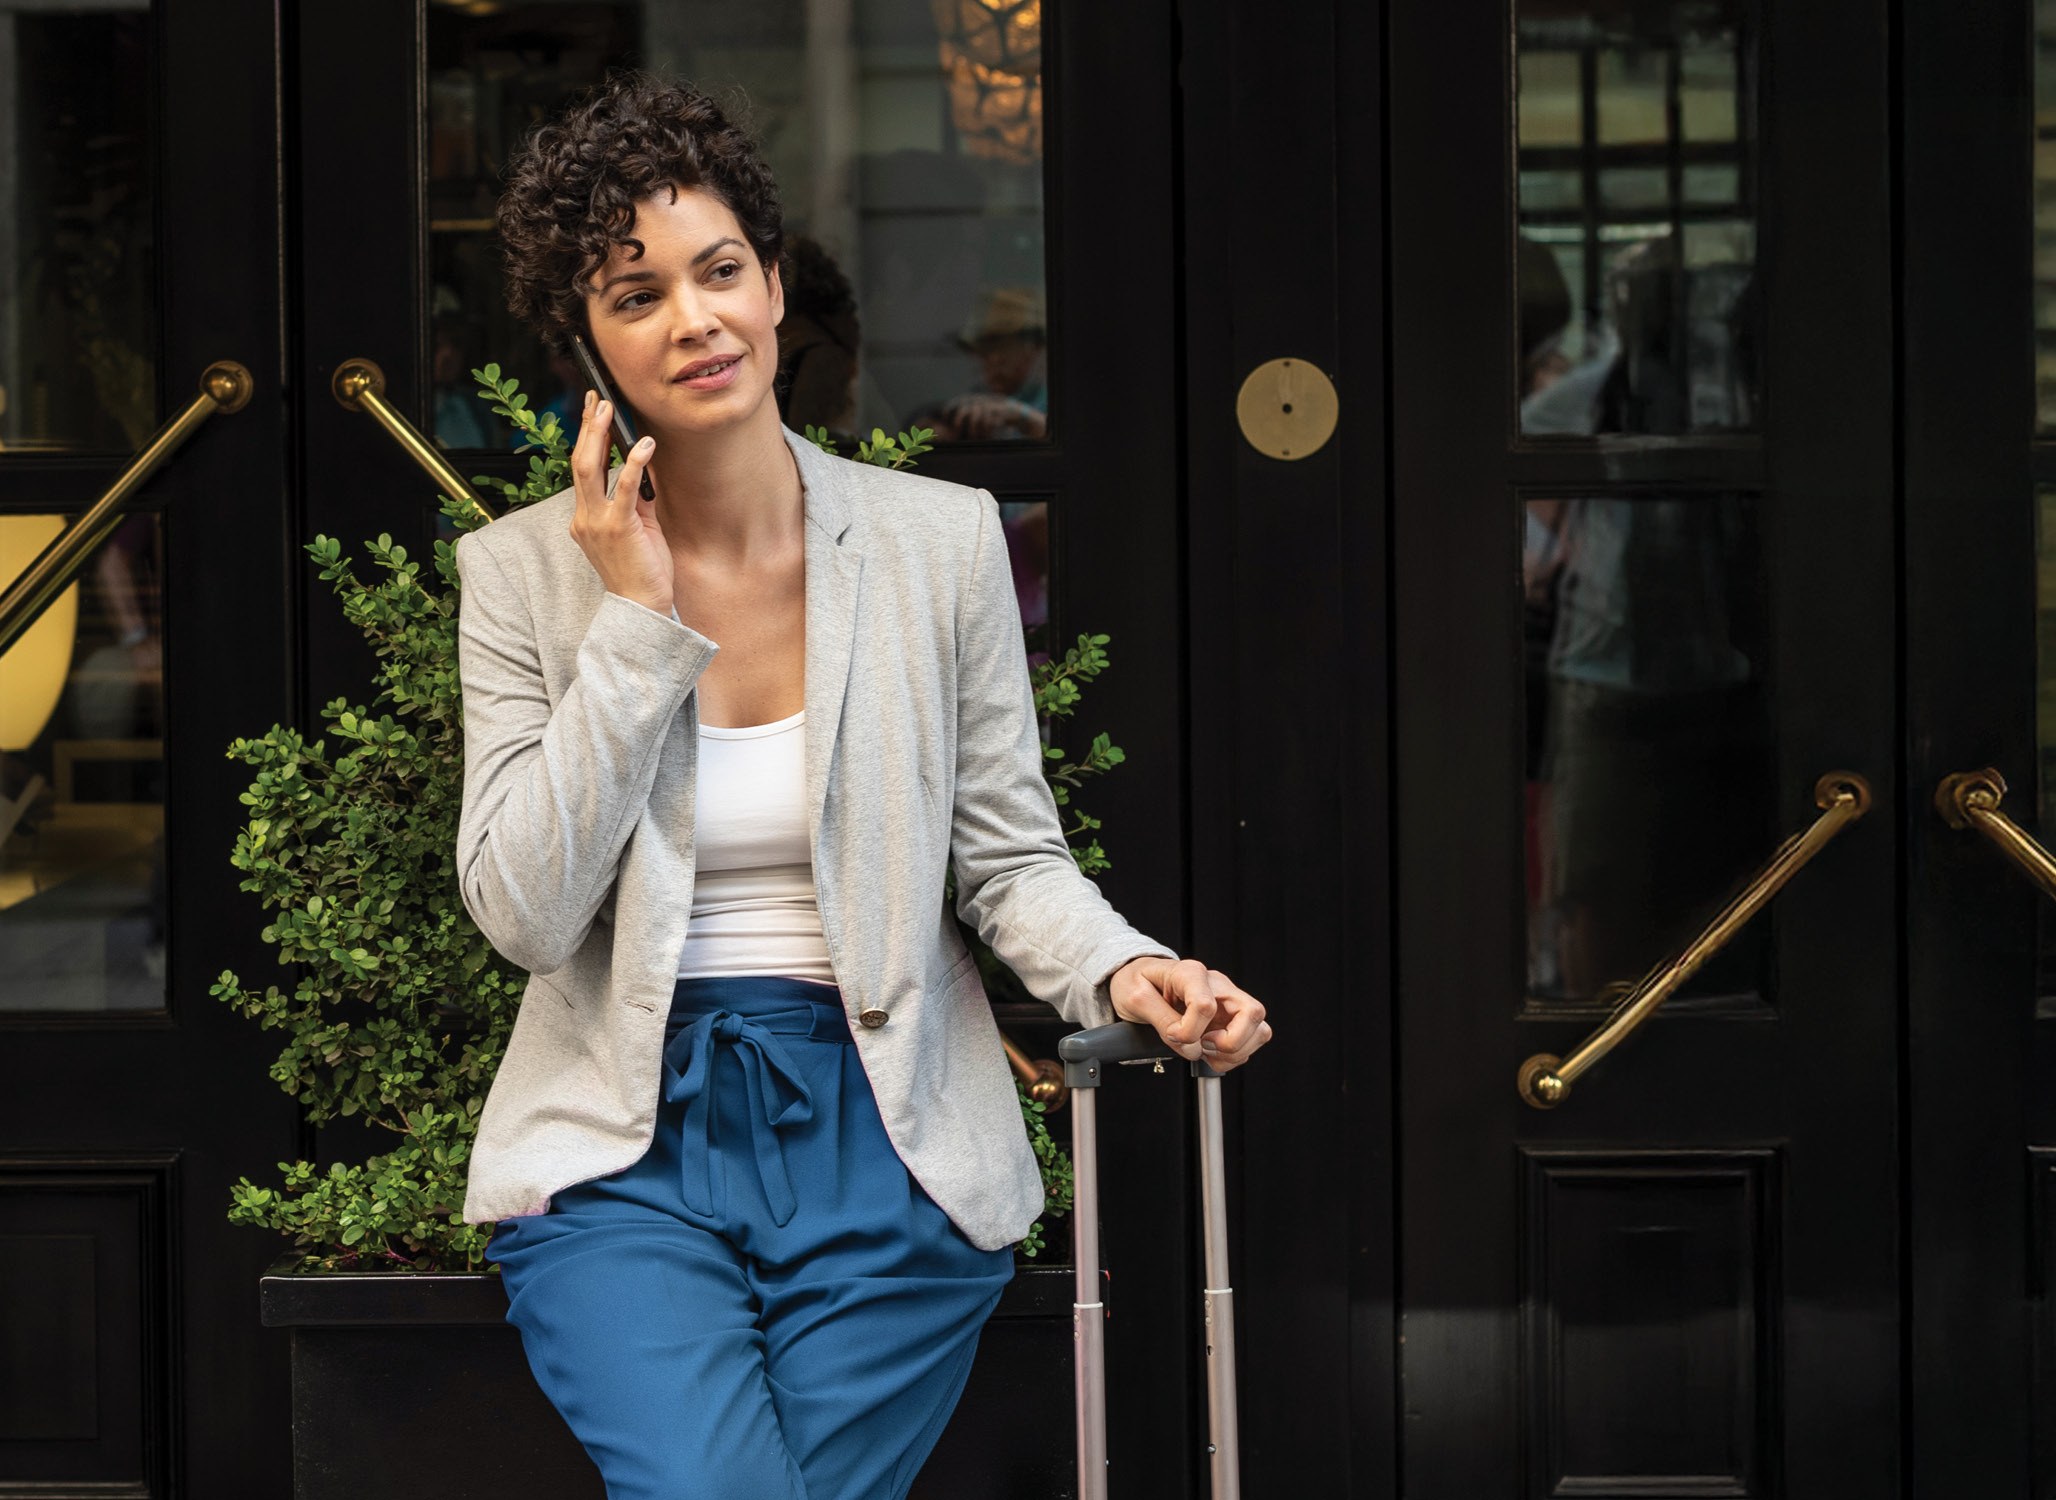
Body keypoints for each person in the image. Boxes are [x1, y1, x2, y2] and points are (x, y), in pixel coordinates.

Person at [454, 73, 1272, 1500]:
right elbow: (525, 914)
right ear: (586, 346)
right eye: (637, 296)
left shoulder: (937, 545)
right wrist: (635, 623)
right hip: (622, 1142)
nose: (694, 319)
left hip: (887, 1131)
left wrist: (1125, 969)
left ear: (776, 288)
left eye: (720, 271)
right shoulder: (519, 573)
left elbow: (1008, 860)